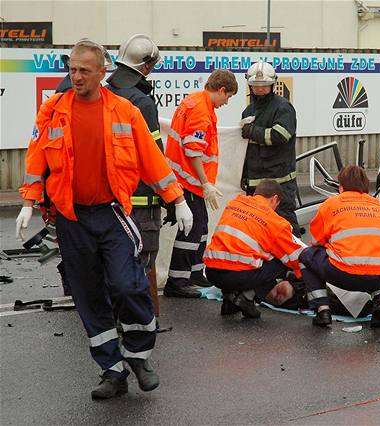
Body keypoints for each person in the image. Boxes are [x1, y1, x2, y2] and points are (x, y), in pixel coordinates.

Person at [15, 39, 193, 399]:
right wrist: (29, 202)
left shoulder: (124, 111)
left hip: (113, 214)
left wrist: (177, 199)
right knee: (89, 296)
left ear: (102, 72)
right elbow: (37, 159)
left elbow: (152, 160)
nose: (75, 76)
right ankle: (112, 371)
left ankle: (139, 355)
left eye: (83, 70)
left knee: (128, 285)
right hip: (71, 218)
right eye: (72, 69)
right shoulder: (53, 110)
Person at [164, 69, 238, 298]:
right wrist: (205, 183)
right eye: (228, 97)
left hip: (187, 180)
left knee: (201, 228)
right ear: (221, 90)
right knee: (191, 231)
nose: (226, 102)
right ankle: (177, 281)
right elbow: (193, 150)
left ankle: (195, 274)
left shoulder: (196, 102)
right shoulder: (201, 110)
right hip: (190, 181)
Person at [106, 34, 163, 313]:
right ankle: (139, 319)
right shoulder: (142, 102)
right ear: (147, 66)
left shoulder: (102, 94)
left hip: (106, 199)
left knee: (113, 260)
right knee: (143, 259)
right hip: (141, 200)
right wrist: (171, 197)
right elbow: (154, 156)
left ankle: (114, 314)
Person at [299, 165, 380, 328]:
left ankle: (322, 310)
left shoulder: (331, 204)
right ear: (366, 188)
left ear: (341, 187)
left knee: (305, 256)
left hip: (343, 273)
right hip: (379, 277)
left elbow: (315, 240)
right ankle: (379, 303)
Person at [203, 179, 304, 318]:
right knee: (281, 261)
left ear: (256, 193)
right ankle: (247, 297)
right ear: (275, 199)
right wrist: (301, 275)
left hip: (212, 272)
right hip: (238, 276)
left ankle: (229, 299)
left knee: (236, 253)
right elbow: (294, 257)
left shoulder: (234, 203)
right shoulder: (274, 221)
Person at [241, 61, 300, 236]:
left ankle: (295, 262)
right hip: (255, 185)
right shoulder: (248, 111)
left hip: (279, 183)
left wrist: (254, 131)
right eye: (256, 86)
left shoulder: (283, 107)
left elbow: (280, 135)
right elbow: (247, 149)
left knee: (286, 229)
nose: (259, 89)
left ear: (272, 84)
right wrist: (244, 175)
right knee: (257, 231)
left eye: (264, 86)